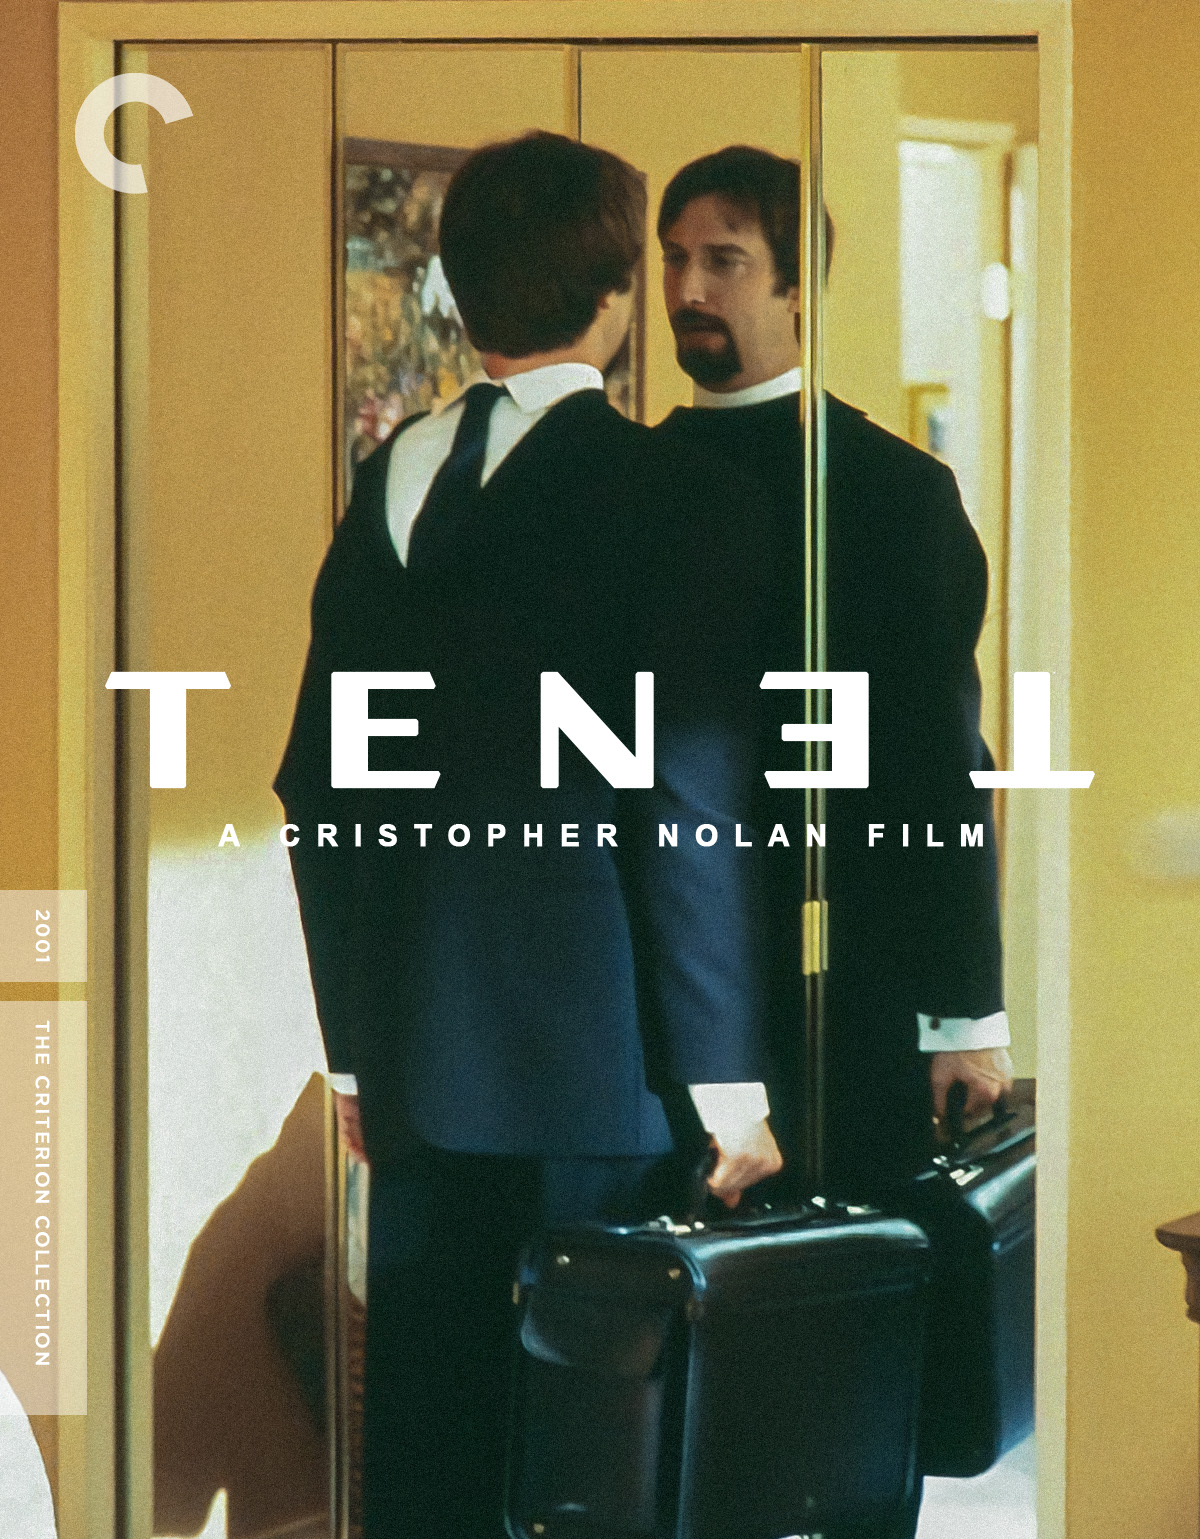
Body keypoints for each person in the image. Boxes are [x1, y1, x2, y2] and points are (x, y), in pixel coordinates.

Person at [275, 131, 782, 1539]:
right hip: (603, 1078)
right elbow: (684, 808)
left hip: (420, 1065)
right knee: (592, 1467)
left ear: (459, 291)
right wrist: (730, 1087)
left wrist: (357, 1047)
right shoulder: (678, 498)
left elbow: (323, 788)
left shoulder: (389, 484)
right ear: (617, 297)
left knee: (429, 1457)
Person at [653, 145, 1013, 1539]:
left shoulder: (890, 491)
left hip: (849, 987)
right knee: (685, 1393)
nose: (690, 288)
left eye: (724, 259)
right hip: (668, 1001)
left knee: (856, 1378)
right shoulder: (633, 481)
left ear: (799, 288)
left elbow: (940, 766)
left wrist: (963, 1017)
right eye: (675, 259)